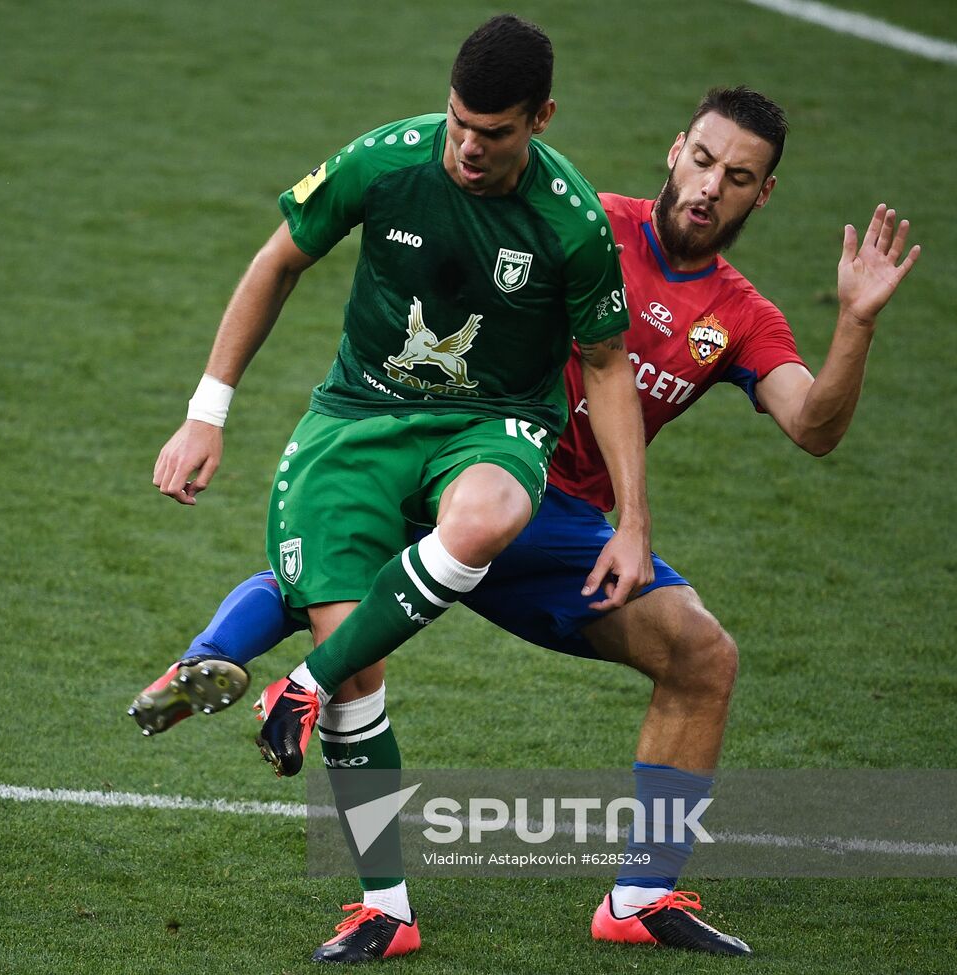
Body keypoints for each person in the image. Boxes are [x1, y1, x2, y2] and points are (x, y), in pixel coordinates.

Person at [134, 84, 921, 960]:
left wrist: (854, 322)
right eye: (702, 161)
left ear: (762, 193)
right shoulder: (579, 221)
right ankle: (311, 775)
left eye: (737, 177)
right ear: (674, 149)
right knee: (357, 557)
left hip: (562, 528)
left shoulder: (739, 315)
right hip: (468, 462)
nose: (709, 187)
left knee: (703, 655)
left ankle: (640, 896)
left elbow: (814, 425)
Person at [149, 14, 655, 964]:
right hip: (354, 422)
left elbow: (607, 362)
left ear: (541, 118)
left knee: (494, 511)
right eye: (460, 121)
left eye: (495, 132)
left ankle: (294, 677)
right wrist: (206, 410)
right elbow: (279, 260)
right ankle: (387, 909)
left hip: (490, 421)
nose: (468, 146)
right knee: (360, 663)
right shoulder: (386, 162)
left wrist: (634, 521)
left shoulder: (571, 222)